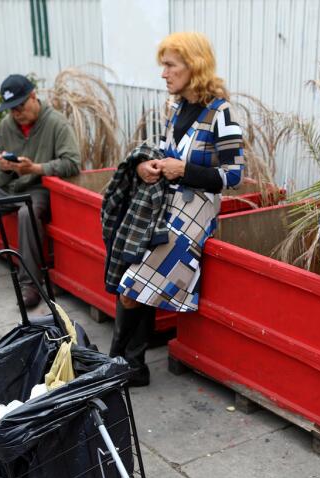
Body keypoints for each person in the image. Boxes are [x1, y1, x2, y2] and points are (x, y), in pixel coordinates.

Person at [108, 32, 244, 386]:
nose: (163, 73)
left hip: (195, 216)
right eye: (163, 65)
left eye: (170, 65)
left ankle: (118, 364)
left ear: (193, 66)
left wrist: (185, 171)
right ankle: (131, 365)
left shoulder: (221, 114)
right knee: (135, 280)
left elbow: (235, 176)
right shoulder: (178, 108)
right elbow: (168, 154)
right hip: (167, 207)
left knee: (131, 285)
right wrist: (149, 167)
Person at [0, 73, 79, 308]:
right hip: (9, 186)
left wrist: (37, 168)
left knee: (26, 214)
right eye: (11, 109)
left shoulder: (56, 123)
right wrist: (4, 167)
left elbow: (73, 163)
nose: (16, 113)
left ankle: (30, 284)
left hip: (39, 188)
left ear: (33, 97)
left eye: (20, 106)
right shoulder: (6, 125)